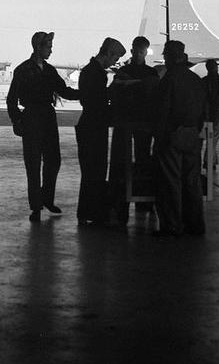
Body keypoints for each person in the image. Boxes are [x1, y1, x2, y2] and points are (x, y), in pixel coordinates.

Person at [6, 31, 80, 222]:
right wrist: (17, 121)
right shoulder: (23, 70)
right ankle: (36, 206)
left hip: (47, 117)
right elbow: (11, 99)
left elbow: (64, 91)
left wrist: (85, 93)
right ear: (38, 47)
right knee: (33, 164)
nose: (51, 51)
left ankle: (47, 199)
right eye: (48, 47)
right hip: (31, 117)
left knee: (53, 160)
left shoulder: (49, 70)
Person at [152, 40, 206, 237]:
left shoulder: (169, 79)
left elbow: (162, 110)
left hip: (172, 135)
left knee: (170, 182)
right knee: (192, 182)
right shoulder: (196, 79)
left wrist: (159, 137)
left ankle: (172, 226)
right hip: (192, 135)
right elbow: (204, 110)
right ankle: (195, 225)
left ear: (169, 57)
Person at [76, 37, 126, 227]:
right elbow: (96, 101)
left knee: (91, 172)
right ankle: (92, 212)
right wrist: (115, 87)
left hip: (91, 125)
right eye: (114, 58)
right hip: (94, 127)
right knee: (94, 171)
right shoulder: (94, 73)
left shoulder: (91, 71)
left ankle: (88, 212)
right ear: (108, 53)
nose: (114, 62)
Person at [108, 36, 160, 218]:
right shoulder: (150, 73)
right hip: (141, 123)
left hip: (129, 122)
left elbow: (116, 91)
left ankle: (127, 201)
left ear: (144, 52)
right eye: (136, 51)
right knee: (138, 159)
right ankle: (140, 201)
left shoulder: (124, 72)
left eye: (140, 52)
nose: (137, 54)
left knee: (135, 160)